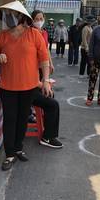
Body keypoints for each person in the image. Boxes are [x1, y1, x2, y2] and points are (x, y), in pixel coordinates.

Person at [0, 1, 52, 171]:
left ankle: (18, 148)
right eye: (6, 14)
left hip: (29, 86)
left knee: (22, 118)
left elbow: (44, 59)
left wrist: (45, 80)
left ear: (21, 16)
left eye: (12, 14)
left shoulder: (34, 34)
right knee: (10, 119)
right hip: (7, 86)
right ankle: (9, 153)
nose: (8, 17)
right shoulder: (2, 36)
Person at [31, 10, 63, 149]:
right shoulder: (30, 34)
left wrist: (49, 64)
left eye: (41, 18)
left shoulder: (43, 32)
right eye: (36, 18)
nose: (39, 20)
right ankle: (47, 137)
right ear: (31, 20)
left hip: (38, 74)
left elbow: (45, 50)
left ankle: (48, 132)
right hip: (31, 79)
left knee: (51, 97)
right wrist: (43, 82)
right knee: (52, 102)